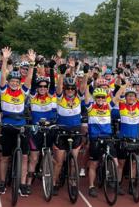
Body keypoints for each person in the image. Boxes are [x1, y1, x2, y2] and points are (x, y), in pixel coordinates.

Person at [0, 47, 35, 197]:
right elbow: (2, 78)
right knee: (5, 156)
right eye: (11, 81)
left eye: (16, 81)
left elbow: (30, 79)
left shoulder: (23, 91)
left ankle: (23, 183)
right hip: (7, 126)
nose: (13, 83)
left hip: (21, 126)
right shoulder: (4, 90)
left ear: (19, 82)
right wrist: (5, 60)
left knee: (25, 156)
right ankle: (2, 181)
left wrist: (32, 64)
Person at [52, 60, 88, 196]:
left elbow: (83, 87)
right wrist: (61, 74)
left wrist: (85, 73)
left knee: (73, 162)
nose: (70, 91)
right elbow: (59, 88)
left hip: (76, 131)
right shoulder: (60, 97)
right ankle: (55, 183)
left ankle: (73, 183)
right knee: (59, 162)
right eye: (69, 88)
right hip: (62, 131)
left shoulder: (78, 97)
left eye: (73, 89)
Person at [85, 86, 125, 197]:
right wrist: (87, 84)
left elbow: (117, 97)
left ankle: (116, 184)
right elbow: (86, 96)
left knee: (116, 163)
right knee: (94, 164)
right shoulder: (90, 107)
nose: (101, 99)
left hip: (107, 138)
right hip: (95, 139)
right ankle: (91, 186)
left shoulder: (108, 106)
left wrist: (124, 84)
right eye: (98, 97)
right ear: (95, 97)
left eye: (103, 97)